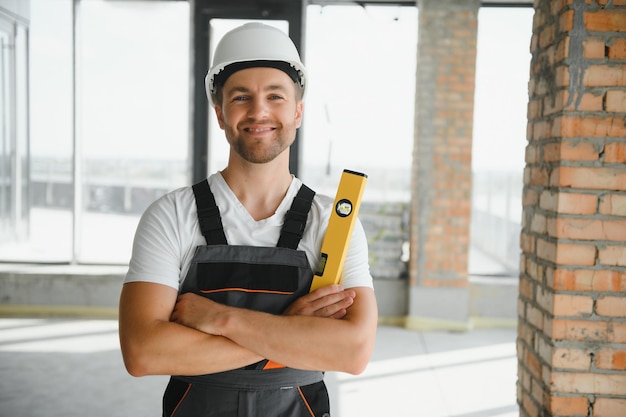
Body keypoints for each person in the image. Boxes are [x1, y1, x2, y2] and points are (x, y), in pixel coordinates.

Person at [118, 22, 378, 417]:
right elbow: (142, 352)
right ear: (220, 114)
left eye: (275, 96)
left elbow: (353, 352)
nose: (259, 111)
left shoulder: (334, 223)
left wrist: (219, 319)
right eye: (241, 97)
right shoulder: (170, 215)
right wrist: (290, 329)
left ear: (297, 112)